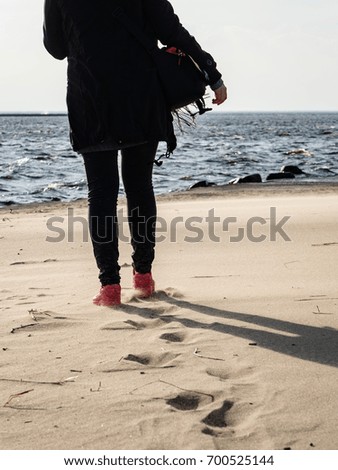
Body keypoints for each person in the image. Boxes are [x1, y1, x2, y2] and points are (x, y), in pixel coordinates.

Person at [43, 0, 227, 307]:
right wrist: (212, 73)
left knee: (101, 193)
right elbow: (171, 31)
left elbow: (56, 48)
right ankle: (143, 277)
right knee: (139, 185)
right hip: (140, 97)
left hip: (91, 97)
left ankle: (109, 288)